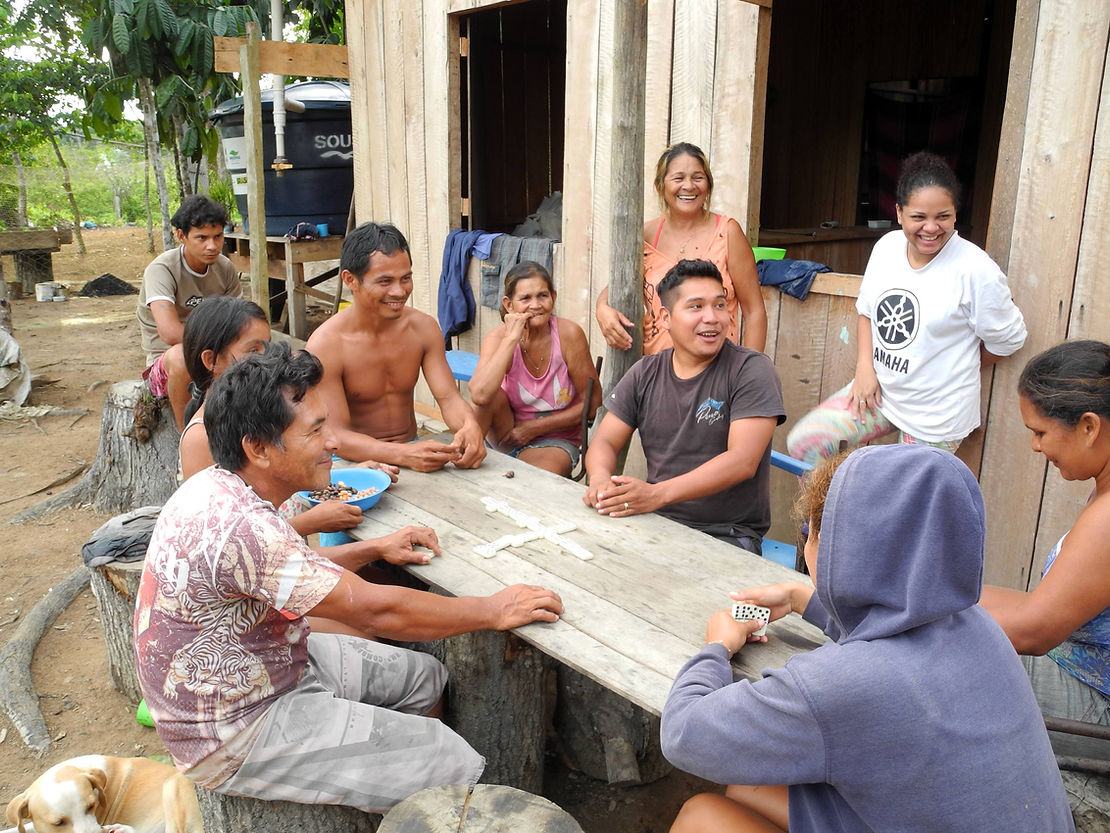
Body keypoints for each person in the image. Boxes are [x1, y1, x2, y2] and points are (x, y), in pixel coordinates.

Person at [133, 342, 563, 813]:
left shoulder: (217, 485)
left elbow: (289, 573)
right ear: (258, 448)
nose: (333, 443)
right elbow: (376, 610)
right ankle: (430, 799)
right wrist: (494, 609)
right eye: (315, 431)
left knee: (424, 678)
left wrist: (374, 548)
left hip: (267, 664)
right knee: (452, 761)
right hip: (231, 727)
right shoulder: (245, 527)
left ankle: (399, 802)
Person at [660, 444, 1073, 833]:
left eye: (809, 531)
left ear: (839, 550)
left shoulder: (834, 686)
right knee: (747, 788)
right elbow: (895, 621)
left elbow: (682, 734)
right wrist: (803, 598)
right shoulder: (975, 623)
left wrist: (717, 646)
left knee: (703, 816)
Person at [786, 151, 1027, 465]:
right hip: (881, 393)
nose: (931, 228)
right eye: (919, 217)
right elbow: (867, 311)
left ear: (956, 213)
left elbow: (1009, 339)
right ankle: (836, 499)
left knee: (901, 490)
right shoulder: (887, 248)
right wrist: (864, 368)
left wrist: (955, 366)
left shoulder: (976, 270)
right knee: (806, 443)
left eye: (943, 216)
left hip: (936, 417)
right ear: (899, 212)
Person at [582, 259, 784, 555]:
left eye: (719, 305)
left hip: (725, 534)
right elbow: (605, 441)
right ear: (665, 317)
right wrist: (600, 481)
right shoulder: (645, 372)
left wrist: (655, 495)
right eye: (696, 306)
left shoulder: (750, 369)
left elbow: (742, 461)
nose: (712, 317)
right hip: (655, 522)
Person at [981, 340, 1110, 749]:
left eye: (1040, 432)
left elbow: (1034, 631)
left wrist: (913, 620)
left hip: (1095, 710)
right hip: (1080, 682)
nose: (1035, 446)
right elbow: (1040, 607)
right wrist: (946, 596)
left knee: (926, 665)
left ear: (1088, 427)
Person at [179, 295, 393, 541]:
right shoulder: (200, 438)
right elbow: (224, 538)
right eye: (253, 351)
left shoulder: (262, 414)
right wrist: (311, 522)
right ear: (211, 360)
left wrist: (345, 476)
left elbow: (280, 471)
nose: (267, 359)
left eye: (268, 348)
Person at [306, 222, 486, 472]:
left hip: (411, 448)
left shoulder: (423, 329)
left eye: (406, 278)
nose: (399, 291)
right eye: (385, 281)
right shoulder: (326, 345)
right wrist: (404, 455)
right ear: (350, 280)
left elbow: (449, 398)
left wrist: (469, 426)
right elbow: (336, 435)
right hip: (352, 462)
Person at [594, 142, 767, 355]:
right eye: (678, 178)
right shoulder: (645, 236)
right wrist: (601, 308)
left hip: (720, 367)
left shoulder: (727, 233)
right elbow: (616, 286)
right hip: (658, 365)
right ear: (660, 185)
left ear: (708, 184)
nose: (689, 186)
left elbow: (754, 311)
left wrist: (751, 369)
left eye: (698, 177)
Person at [467, 262, 601, 477]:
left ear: (553, 297)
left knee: (533, 481)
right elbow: (480, 395)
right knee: (489, 394)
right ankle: (470, 455)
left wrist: (533, 429)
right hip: (506, 433)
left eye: (543, 296)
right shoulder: (499, 338)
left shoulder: (569, 334)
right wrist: (511, 338)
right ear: (509, 305)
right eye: (525, 298)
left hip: (555, 438)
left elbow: (592, 405)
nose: (536, 305)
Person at [136, 194, 242, 430]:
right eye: (201, 237)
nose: (212, 246)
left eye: (218, 236)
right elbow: (170, 332)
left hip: (214, 354)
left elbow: (239, 321)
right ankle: (187, 436)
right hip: (166, 363)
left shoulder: (224, 267)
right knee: (181, 357)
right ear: (181, 236)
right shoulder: (161, 270)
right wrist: (219, 347)